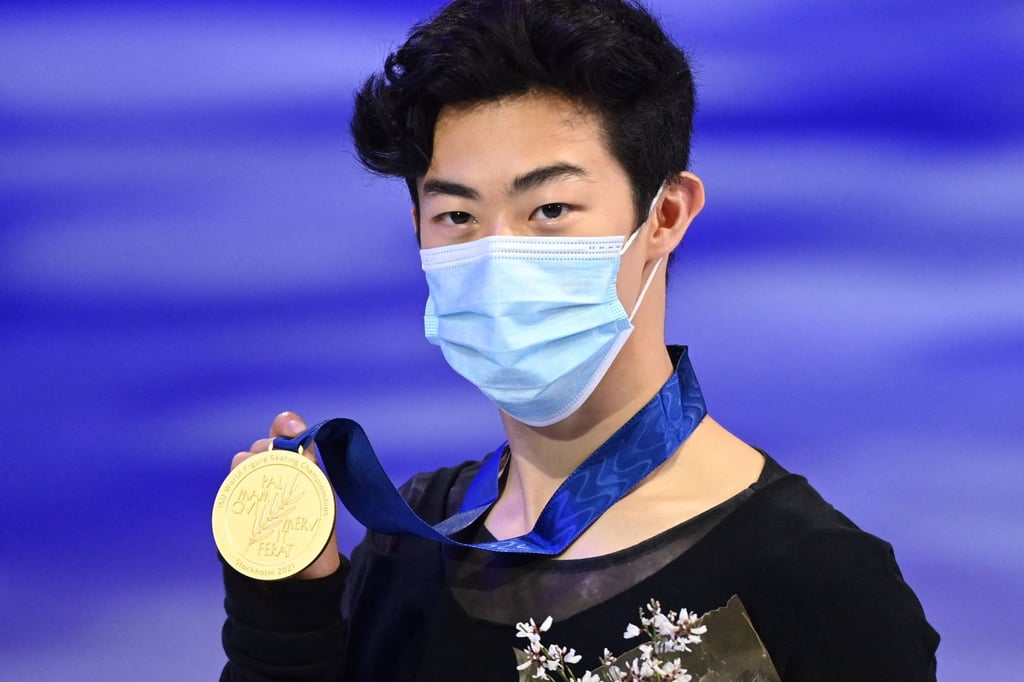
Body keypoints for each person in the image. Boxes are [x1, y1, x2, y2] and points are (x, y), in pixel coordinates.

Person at [219, 1, 939, 679]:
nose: (498, 255)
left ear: (666, 214)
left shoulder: (817, 581)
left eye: (550, 209)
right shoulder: (407, 538)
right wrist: (286, 621)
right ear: (417, 230)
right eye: (457, 217)